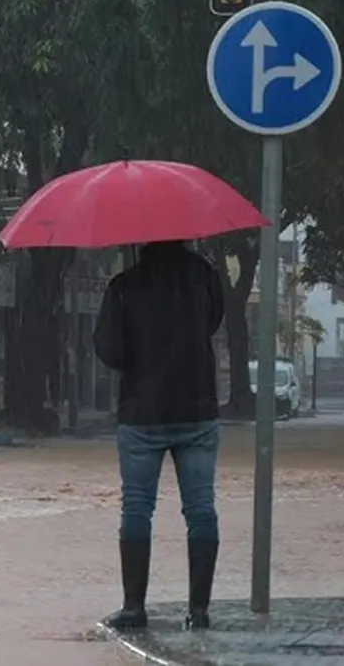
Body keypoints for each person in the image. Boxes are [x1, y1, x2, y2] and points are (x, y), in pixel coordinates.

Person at [94, 240, 224, 631]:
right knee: (200, 508)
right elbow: (213, 322)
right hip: (196, 408)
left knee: (136, 508)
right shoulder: (205, 278)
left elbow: (108, 348)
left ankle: (134, 609)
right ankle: (199, 612)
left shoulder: (123, 285)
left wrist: (141, 359)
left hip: (142, 412)